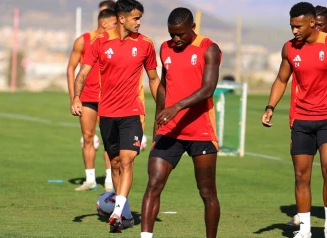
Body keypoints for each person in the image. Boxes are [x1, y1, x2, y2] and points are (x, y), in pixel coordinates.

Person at [261, 2, 327, 238]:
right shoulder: (289, 49)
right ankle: (305, 230)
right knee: (301, 176)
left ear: (311, 23)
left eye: (298, 26)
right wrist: (270, 106)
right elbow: (280, 79)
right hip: (301, 121)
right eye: (291, 26)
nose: (294, 30)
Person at [71, 0, 160, 233]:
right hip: (107, 113)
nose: (139, 22)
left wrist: (164, 107)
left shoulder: (146, 44)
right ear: (122, 19)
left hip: (133, 112)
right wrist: (76, 98)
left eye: (140, 18)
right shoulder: (100, 42)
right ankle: (126, 212)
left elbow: (153, 79)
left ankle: (118, 213)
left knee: (128, 159)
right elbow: (84, 71)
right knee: (116, 163)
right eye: (136, 18)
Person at [140, 7, 222, 238]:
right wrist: (160, 118)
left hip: (200, 131)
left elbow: (208, 89)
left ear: (192, 28)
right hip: (169, 132)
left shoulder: (209, 48)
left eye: (180, 34)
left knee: (207, 192)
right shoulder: (165, 48)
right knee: (153, 185)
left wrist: (176, 107)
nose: (175, 39)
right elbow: (165, 85)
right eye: (171, 34)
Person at [287, 4, 327, 226]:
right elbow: (293, 79)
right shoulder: (295, 47)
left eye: (323, 26)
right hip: (302, 112)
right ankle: (304, 217)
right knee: (301, 171)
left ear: (325, 24)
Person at [67, 9, 116, 192]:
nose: (117, 27)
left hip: (108, 98)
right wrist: (74, 98)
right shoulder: (83, 41)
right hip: (87, 97)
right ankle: (90, 180)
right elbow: (71, 69)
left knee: (109, 139)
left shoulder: (115, 41)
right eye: (114, 23)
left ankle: (110, 181)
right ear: (104, 23)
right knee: (88, 137)